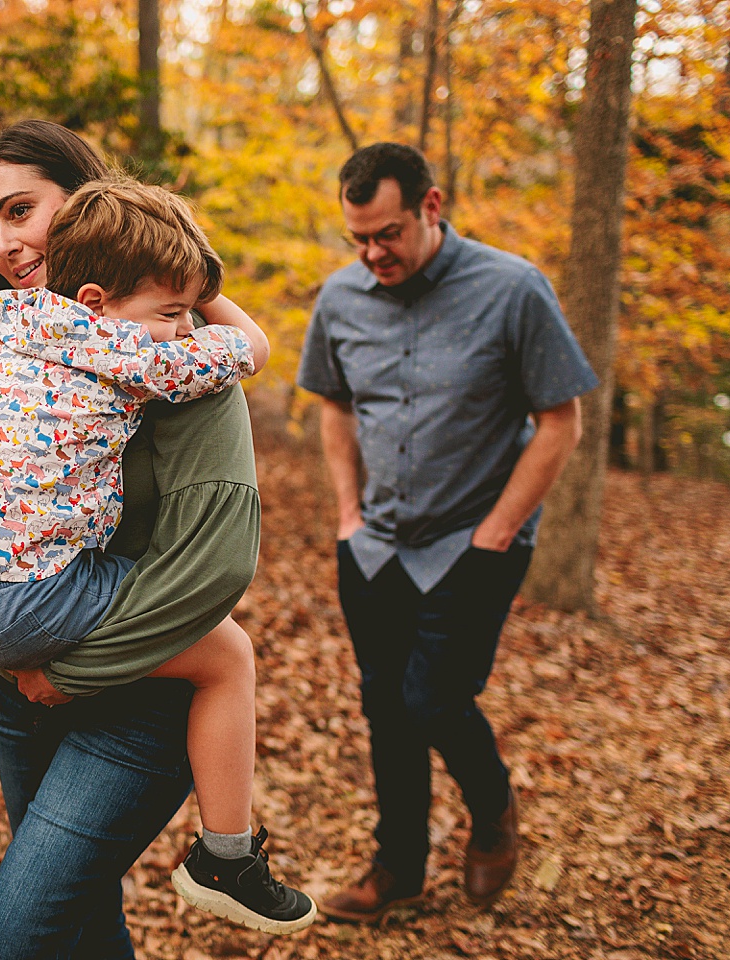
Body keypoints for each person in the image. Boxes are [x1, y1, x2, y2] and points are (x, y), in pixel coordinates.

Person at [0, 119, 309, 958]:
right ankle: (227, 856)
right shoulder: (37, 334)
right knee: (81, 920)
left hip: (106, 684)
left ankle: (224, 855)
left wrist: (60, 668)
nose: (7, 245)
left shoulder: (55, 335)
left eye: (22, 211)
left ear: (87, 200)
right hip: (23, 666)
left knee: (13, 937)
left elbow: (214, 570)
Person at [296, 142, 600, 922]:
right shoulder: (340, 298)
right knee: (385, 708)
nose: (372, 254)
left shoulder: (513, 290)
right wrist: (346, 513)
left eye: (387, 234)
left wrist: (498, 532)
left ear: (431, 207)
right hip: (373, 544)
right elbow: (334, 403)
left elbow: (561, 421)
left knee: (433, 697)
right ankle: (396, 868)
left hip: (473, 541)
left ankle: (493, 810)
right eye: (357, 238)